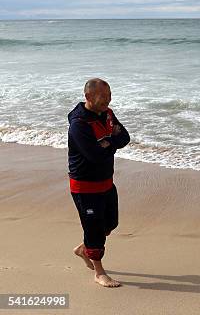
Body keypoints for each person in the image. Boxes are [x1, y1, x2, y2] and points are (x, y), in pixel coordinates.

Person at [69, 78, 130, 288]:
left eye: (109, 96)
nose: (107, 100)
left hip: (106, 182)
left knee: (110, 224)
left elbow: (125, 138)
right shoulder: (79, 125)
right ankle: (99, 272)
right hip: (85, 187)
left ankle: (83, 249)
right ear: (88, 97)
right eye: (102, 97)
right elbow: (94, 155)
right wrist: (109, 142)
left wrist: (107, 142)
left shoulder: (108, 114)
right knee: (94, 230)